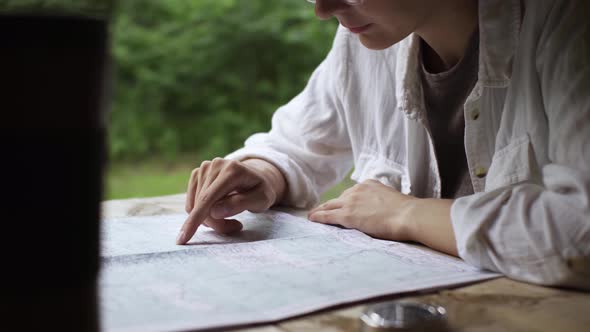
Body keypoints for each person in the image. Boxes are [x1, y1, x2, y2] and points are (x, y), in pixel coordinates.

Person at [177, 0, 590, 290]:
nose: (323, 9)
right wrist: (264, 172)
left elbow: (581, 232)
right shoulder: (366, 43)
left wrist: (408, 214)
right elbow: (297, 143)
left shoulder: (566, 24)